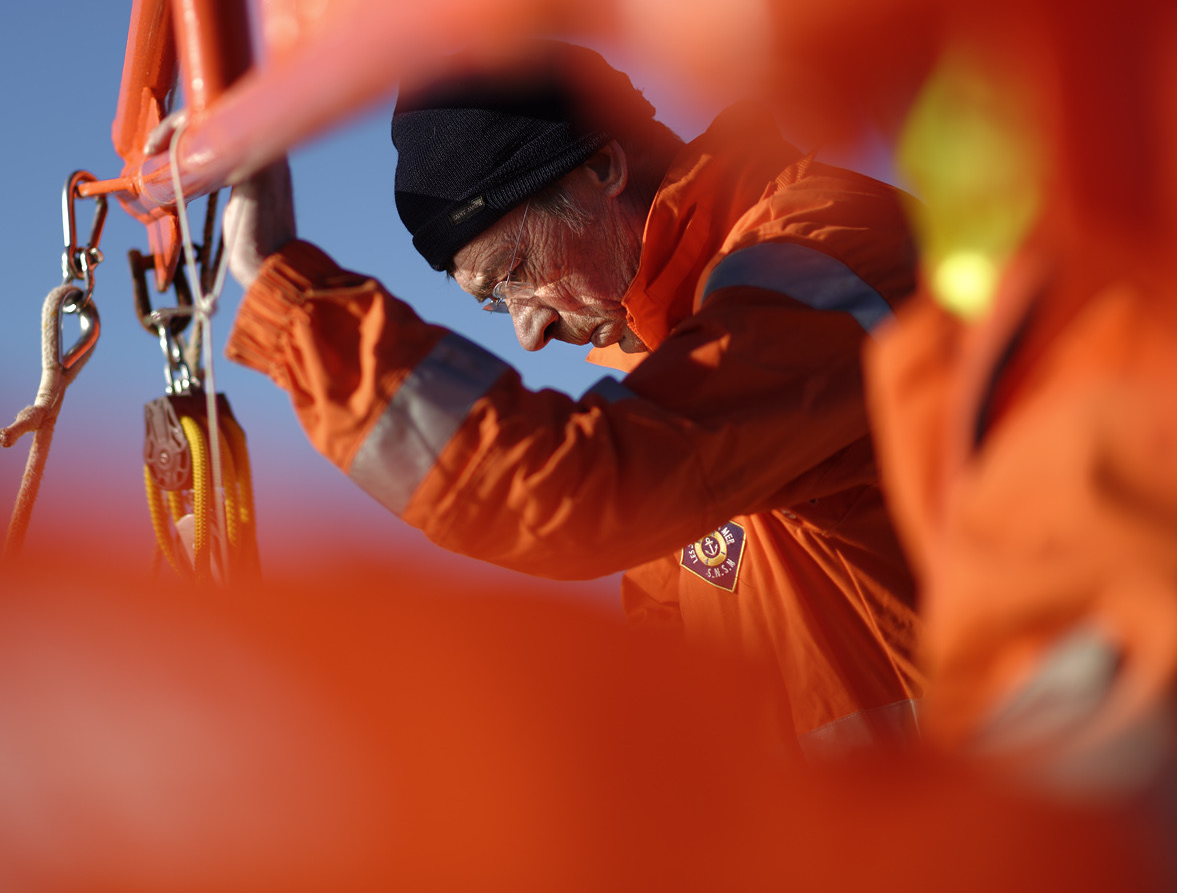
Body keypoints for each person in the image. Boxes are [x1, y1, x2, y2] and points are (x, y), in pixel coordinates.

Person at [222, 41, 923, 751]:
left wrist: (297, 306)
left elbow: (587, 490)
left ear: (600, 167)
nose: (527, 329)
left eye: (516, 271)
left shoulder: (822, 261)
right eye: (496, 303)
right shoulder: (680, 348)